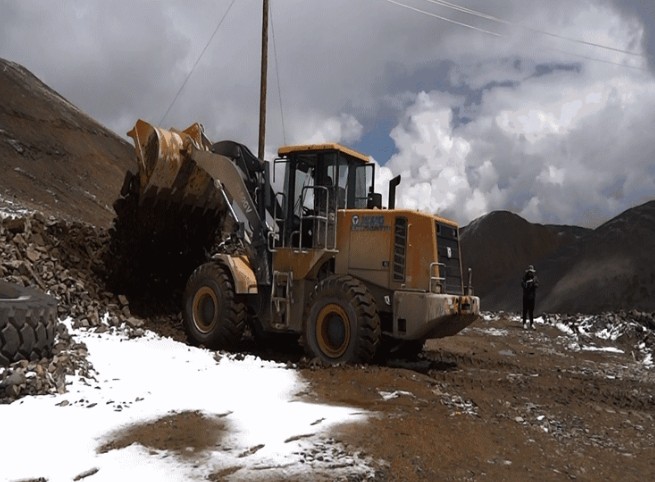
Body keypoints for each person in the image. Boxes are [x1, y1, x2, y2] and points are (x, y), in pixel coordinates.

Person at [521, 265, 539, 330]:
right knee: (525, 310)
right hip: (526, 296)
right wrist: (527, 283)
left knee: (531, 311)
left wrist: (533, 283)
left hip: (532, 296)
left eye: (531, 272)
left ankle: (531, 323)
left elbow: (537, 285)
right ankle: (524, 323)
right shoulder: (524, 278)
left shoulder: (535, 278)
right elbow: (522, 284)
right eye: (529, 272)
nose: (530, 273)